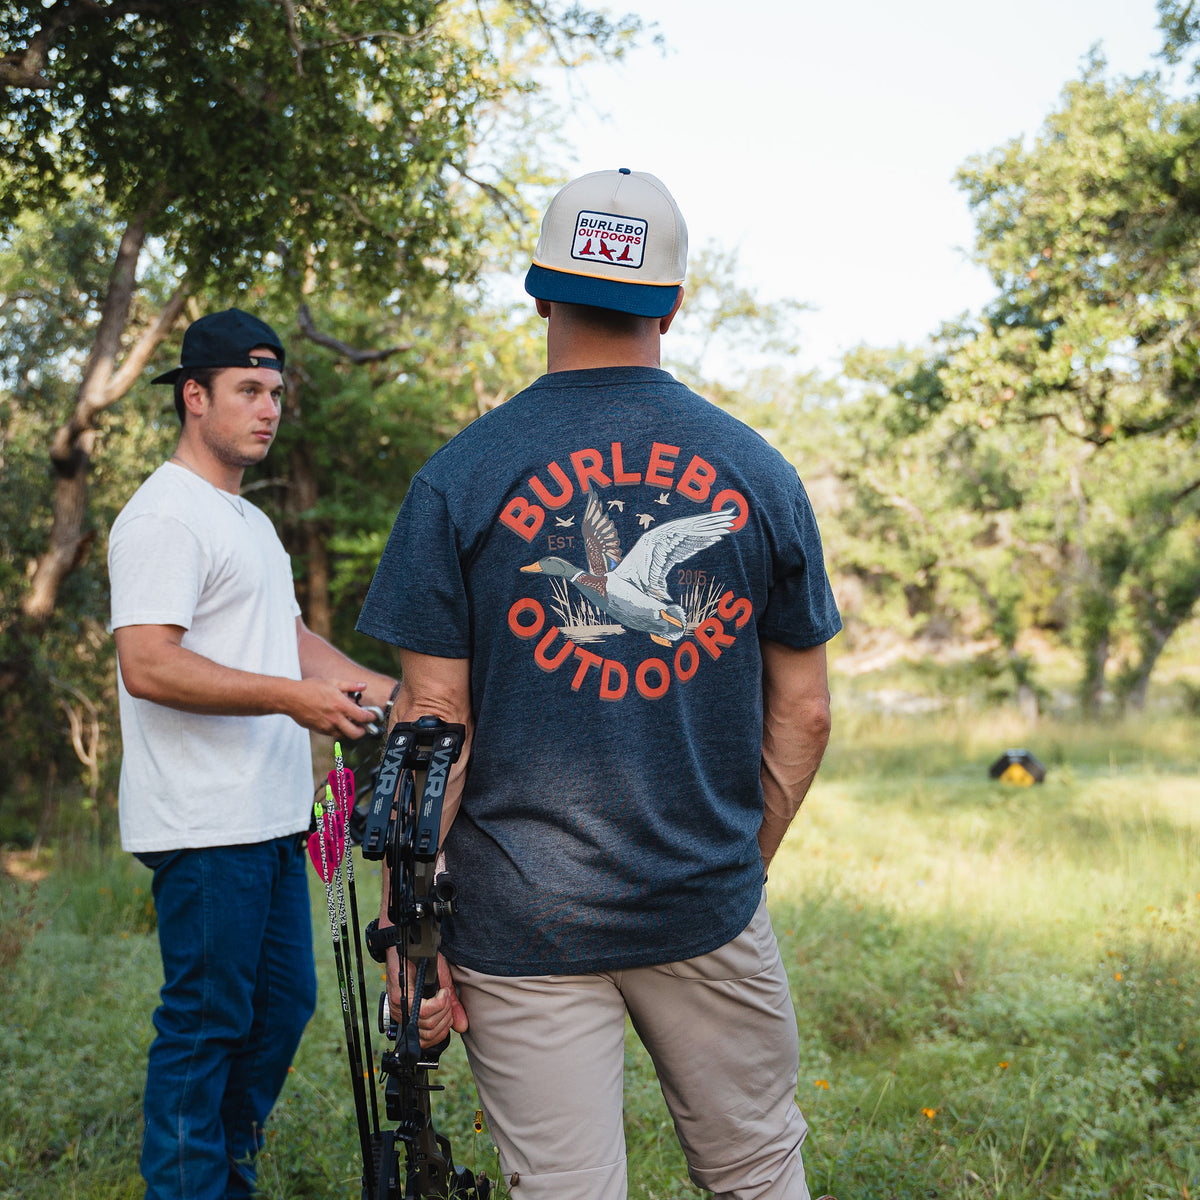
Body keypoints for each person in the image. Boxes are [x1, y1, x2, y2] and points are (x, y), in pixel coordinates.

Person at [358, 170, 841, 1200]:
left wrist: (411, 927)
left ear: (540, 292)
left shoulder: (460, 476)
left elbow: (434, 724)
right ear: (671, 303)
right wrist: (730, 869)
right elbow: (805, 713)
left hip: (520, 923)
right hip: (704, 903)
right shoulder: (759, 472)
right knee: (759, 1175)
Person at [108, 307, 396, 1200]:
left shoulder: (247, 521)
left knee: (278, 1011)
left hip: (270, 817)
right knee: (207, 1023)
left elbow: (292, 640)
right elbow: (148, 663)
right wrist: (292, 700)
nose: (268, 409)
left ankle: (224, 1172)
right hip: (205, 823)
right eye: (248, 391)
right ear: (195, 397)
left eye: (275, 392)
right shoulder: (164, 516)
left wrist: (401, 696)